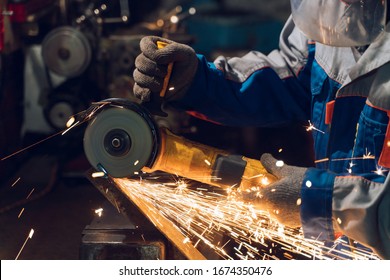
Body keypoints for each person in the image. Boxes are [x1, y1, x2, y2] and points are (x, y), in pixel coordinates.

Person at [132, 0, 390, 259]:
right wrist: (200, 82)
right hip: (340, 247)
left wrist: (330, 202)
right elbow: (296, 75)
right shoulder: (329, 9)